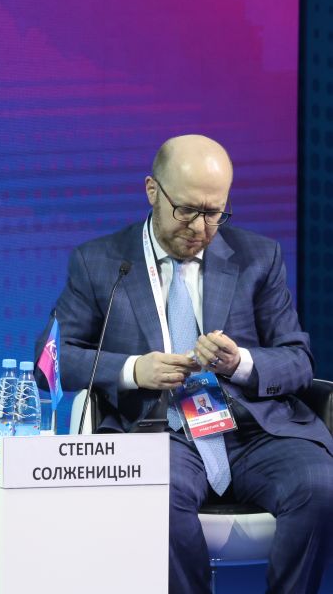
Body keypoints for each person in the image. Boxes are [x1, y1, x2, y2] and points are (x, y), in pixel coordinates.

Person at [51, 135, 333, 593]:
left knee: (321, 485)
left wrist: (240, 362)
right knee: (157, 494)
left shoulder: (258, 258)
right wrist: (133, 370)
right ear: (152, 191)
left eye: (214, 213)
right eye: (186, 211)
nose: (200, 228)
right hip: (161, 432)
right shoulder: (100, 263)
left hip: (255, 431)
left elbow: (298, 359)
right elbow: (54, 360)